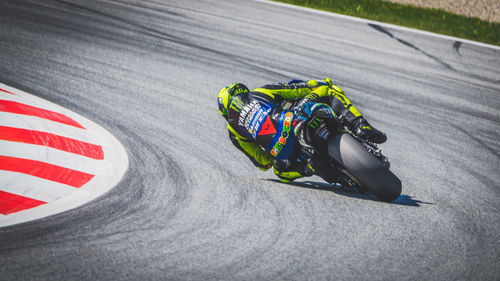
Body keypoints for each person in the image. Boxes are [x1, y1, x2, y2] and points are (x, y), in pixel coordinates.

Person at [217, 78, 386, 183]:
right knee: (328, 89)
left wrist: (275, 148)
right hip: (292, 120)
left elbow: (263, 163)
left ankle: (310, 167)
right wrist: (316, 84)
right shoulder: (260, 92)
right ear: (243, 90)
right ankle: (360, 125)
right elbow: (297, 90)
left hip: (283, 153)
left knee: (279, 171)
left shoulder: (234, 132)